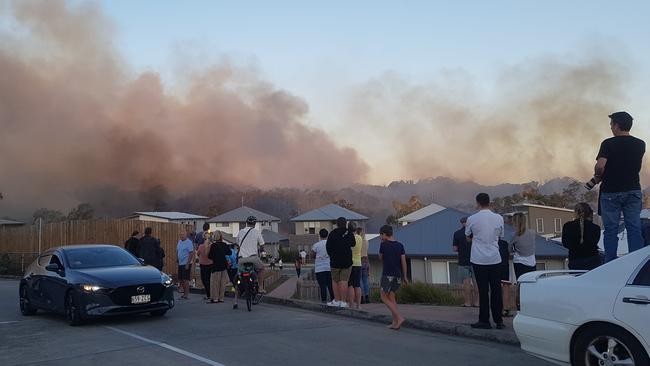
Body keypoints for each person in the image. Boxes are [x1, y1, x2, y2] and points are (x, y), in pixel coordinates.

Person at [593, 111, 645, 262]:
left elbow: (600, 166)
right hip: (633, 189)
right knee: (634, 228)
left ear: (617, 125)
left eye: (611, 124)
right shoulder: (640, 143)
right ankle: (636, 263)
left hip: (611, 191)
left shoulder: (608, 143)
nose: (610, 127)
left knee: (611, 230)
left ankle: (611, 264)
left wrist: (597, 176)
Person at [466, 193, 505, 330]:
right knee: (496, 290)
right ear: (489, 202)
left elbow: (467, 237)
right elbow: (500, 236)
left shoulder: (472, 219)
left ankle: (484, 320)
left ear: (478, 203)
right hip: (495, 258)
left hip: (478, 258)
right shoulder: (499, 218)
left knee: (483, 291)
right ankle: (499, 320)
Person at [378, 225, 408, 330]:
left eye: (381, 235)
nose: (380, 237)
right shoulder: (400, 245)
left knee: (383, 297)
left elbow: (380, 258)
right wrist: (405, 276)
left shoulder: (383, 245)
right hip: (398, 275)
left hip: (387, 275)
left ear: (384, 234)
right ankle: (395, 322)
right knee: (391, 296)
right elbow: (403, 262)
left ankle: (399, 318)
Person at [233, 216, 265, 309]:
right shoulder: (256, 232)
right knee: (262, 269)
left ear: (246, 223)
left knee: (238, 277)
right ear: (254, 224)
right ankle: (260, 287)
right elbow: (262, 245)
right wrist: (263, 253)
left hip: (241, 259)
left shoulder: (240, 232)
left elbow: (237, 244)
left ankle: (235, 301)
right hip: (253, 258)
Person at [326, 217, 356, 308]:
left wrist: (331, 256)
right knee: (344, 280)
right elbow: (353, 244)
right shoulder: (349, 233)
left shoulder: (332, 233)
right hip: (347, 261)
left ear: (337, 224)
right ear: (345, 223)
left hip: (335, 261)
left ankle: (336, 300)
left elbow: (328, 247)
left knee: (335, 280)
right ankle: (343, 302)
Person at [509, 212, 537, 310]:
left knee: (520, 285)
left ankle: (520, 305)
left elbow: (509, 249)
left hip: (519, 261)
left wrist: (515, 251)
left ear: (514, 222)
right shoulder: (532, 233)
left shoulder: (514, 235)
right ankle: (532, 304)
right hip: (532, 261)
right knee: (531, 284)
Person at [562, 203, 602, 270]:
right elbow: (594, 242)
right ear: (589, 213)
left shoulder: (568, 226)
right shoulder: (596, 228)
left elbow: (565, 244)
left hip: (575, 261)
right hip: (593, 261)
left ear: (576, 213)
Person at [452, 217, 477, 307]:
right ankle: (478, 302)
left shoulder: (457, 234)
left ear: (461, 223)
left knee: (466, 283)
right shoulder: (474, 233)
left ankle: (467, 302)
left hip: (463, 261)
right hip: (475, 260)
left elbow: (455, 249)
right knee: (476, 282)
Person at [208, 231, 232, 303]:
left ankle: (215, 298)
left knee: (215, 283)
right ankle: (221, 298)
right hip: (224, 266)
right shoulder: (224, 244)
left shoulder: (213, 245)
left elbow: (210, 256)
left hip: (216, 266)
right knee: (222, 283)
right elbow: (229, 252)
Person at [312, 229, 334, 304]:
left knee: (322, 286)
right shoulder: (331, 244)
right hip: (329, 267)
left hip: (319, 268)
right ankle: (333, 300)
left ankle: (324, 301)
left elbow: (313, 255)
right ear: (327, 235)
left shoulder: (316, 245)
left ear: (319, 235)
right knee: (331, 285)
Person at [348, 223, 363, 309]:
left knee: (350, 285)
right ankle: (358, 305)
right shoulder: (359, 238)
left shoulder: (348, 238)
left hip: (350, 263)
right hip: (358, 263)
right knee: (357, 285)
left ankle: (351, 304)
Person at [176, 231, 195, 300]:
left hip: (186, 263)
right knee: (180, 279)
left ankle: (186, 294)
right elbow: (177, 250)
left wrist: (187, 263)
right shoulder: (179, 241)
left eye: (183, 235)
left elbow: (191, 253)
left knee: (185, 279)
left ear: (186, 235)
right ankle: (183, 293)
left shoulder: (189, 242)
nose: (181, 236)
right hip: (180, 263)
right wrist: (177, 258)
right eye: (180, 235)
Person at [498, 239, 514, 317]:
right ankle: (506, 308)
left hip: (495, 266)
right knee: (506, 287)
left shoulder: (490, 243)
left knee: (496, 288)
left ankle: (498, 308)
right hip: (505, 266)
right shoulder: (505, 243)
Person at [196, 232, 213, 300]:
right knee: (209, 280)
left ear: (203, 238)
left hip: (203, 264)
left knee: (204, 280)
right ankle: (210, 294)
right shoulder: (212, 246)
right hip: (211, 264)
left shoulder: (201, 246)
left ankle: (208, 294)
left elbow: (198, 254)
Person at [358, 227, 370, 304]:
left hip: (359, 260)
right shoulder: (366, 242)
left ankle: (361, 297)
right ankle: (367, 297)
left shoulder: (358, 241)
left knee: (360, 281)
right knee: (365, 280)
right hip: (365, 261)